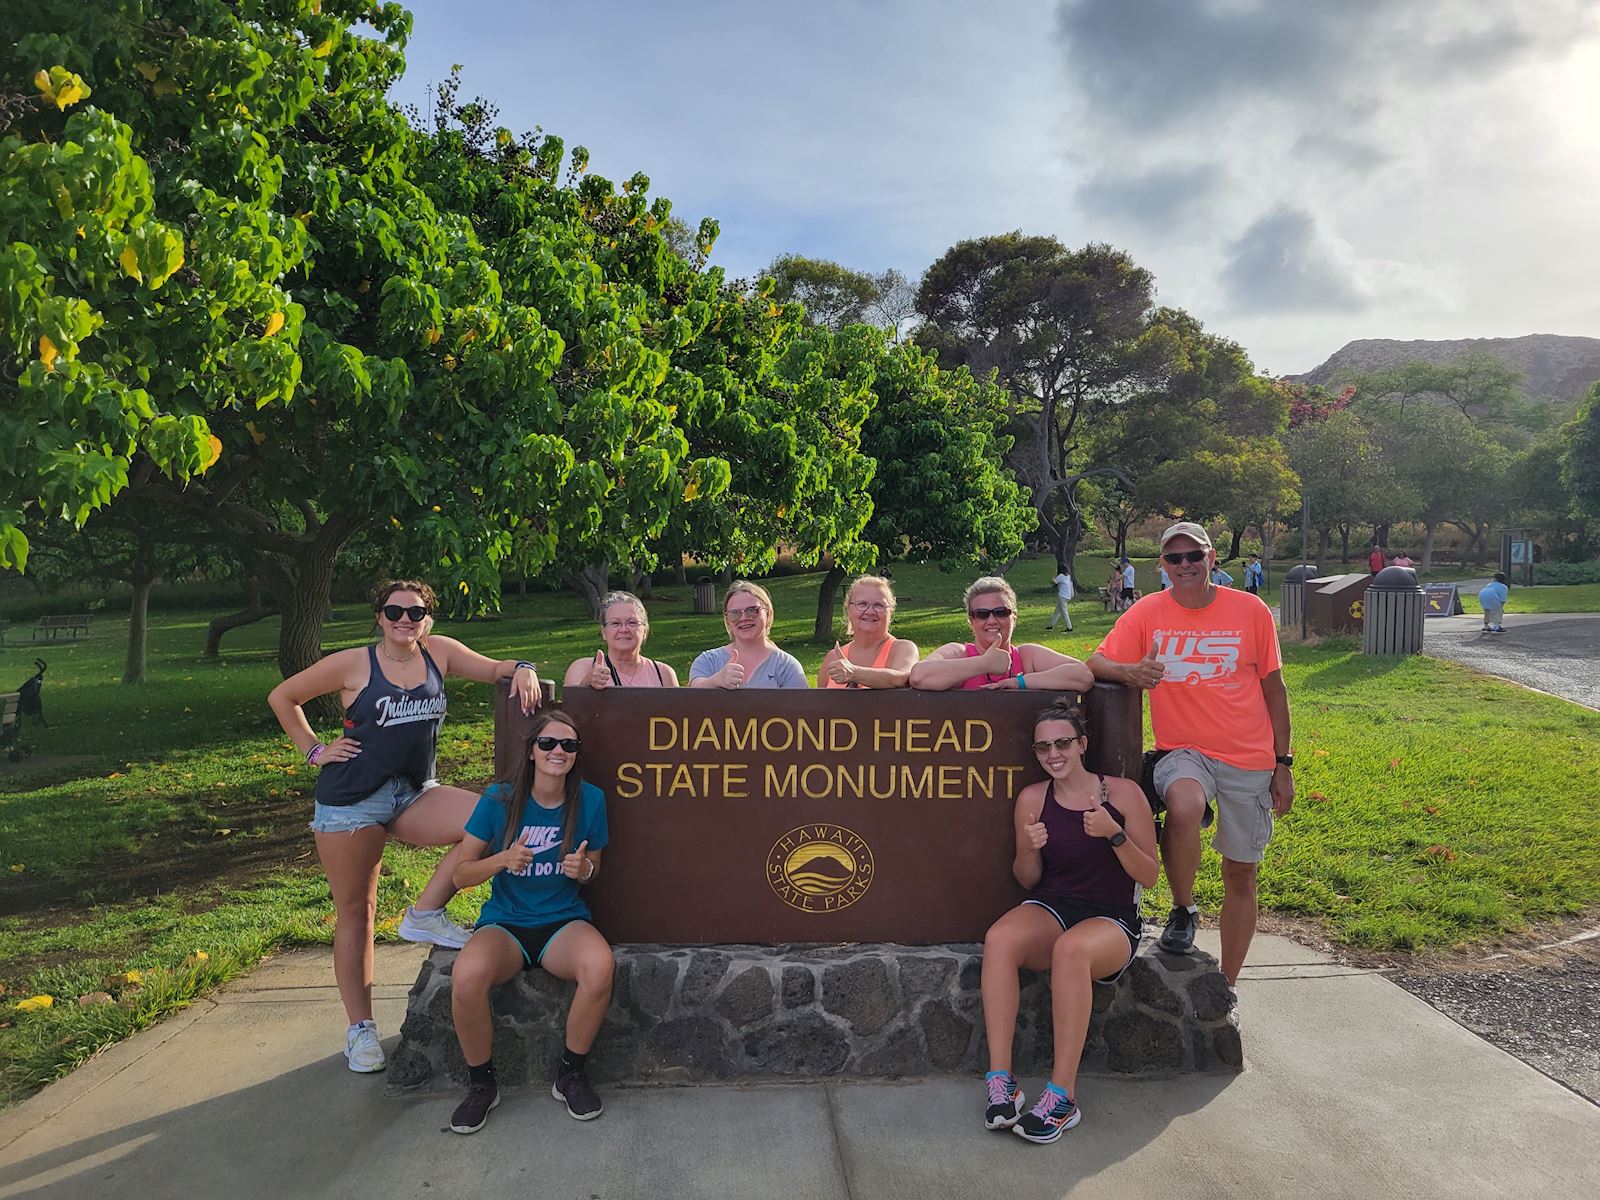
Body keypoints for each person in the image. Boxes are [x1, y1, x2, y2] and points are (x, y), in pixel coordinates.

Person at [267, 580, 541, 1074]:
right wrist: (314, 751)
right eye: (394, 611)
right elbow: (283, 697)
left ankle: (425, 913)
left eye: (415, 612)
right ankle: (361, 1030)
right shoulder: (354, 663)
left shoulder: (440, 653)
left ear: (428, 619)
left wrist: (523, 669)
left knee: (491, 817)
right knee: (358, 911)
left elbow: (497, 668)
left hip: (414, 792)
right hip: (352, 800)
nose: (404, 620)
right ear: (378, 615)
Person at [1086, 522, 1294, 989]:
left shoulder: (1250, 610)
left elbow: (1274, 689)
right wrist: (1131, 671)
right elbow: (1095, 663)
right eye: (1174, 558)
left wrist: (1284, 763)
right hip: (1184, 750)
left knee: (1241, 874)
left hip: (1249, 755)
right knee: (1183, 803)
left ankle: (1228, 984)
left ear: (1211, 558)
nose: (1185, 566)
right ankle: (1184, 908)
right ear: (1162, 564)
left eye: (1193, 557)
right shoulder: (1147, 612)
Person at [980, 703, 1159, 1143]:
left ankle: (1063, 1096)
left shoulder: (1123, 794)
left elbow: (1150, 876)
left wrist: (1114, 834)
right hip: (1054, 906)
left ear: (1082, 744)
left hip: (1111, 918)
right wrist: (1027, 847)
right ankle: (1001, 1083)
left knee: (1072, 950)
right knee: (999, 939)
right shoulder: (1033, 798)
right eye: (1043, 746)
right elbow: (1028, 879)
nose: (1053, 753)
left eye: (1062, 743)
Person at [445, 711, 612, 1133]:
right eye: (549, 743)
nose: (559, 751)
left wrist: (582, 871)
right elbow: (460, 875)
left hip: (562, 924)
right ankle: (482, 1085)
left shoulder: (590, 800)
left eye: (569, 745)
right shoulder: (499, 799)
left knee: (600, 966)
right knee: (466, 976)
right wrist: (502, 859)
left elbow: (595, 866)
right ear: (532, 751)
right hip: (506, 925)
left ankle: (569, 1074)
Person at [908, 576, 1094, 693]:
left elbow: (1083, 675)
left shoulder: (1026, 656)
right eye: (982, 614)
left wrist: (1018, 682)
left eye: (1001, 612)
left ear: (1014, 617)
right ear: (971, 621)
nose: (991, 620)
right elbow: (919, 676)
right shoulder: (959, 652)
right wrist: (984, 663)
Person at [689, 580, 809, 689]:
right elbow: (691, 698)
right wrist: (716, 680)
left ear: (768, 614)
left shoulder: (786, 666)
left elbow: (802, 709)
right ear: (727, 620)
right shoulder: (707, 661)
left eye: (752, 610)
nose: (744, 618)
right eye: (734, 613)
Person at [819, 574, 920, 688]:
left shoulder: (902, 649)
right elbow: (820, 703)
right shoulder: (832, 658)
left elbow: (902, 678)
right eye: (862, 604)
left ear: (890, 612)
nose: (870, 611)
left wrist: (854, 673)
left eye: (879, 605)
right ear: (848, 609)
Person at [563, 591, 680, 689]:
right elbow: (571, 713)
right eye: (615, 623)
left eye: (632, 623)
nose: (624, 629)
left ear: (645, 631)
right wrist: (587, 683)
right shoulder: (582, 668)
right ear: (604, 632)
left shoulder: (664, 674)